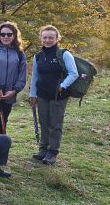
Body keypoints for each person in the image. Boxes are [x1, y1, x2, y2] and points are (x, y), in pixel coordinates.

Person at [29, 25, 78, 165]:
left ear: (57, 38)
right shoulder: (38, 56)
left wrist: (62, 86)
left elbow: (73, 73)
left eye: (51, 37)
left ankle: (52, 152)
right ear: (41, 38)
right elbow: (35, 76)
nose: (48, 40)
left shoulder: (64, 54)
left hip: (59, 96)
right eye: (45, 37)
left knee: (55, 124)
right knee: (43, 122)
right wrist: (33, 95)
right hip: (42, 95)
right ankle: (43, 150)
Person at [0, 21, 27, 134]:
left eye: (9, 34)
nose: (6, 37)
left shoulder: (20, 53)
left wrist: (14, 90)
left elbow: (22, 75)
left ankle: (0, 147)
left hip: (9, 94)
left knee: (2, 122)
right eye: (3, 34)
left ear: (14, 35)